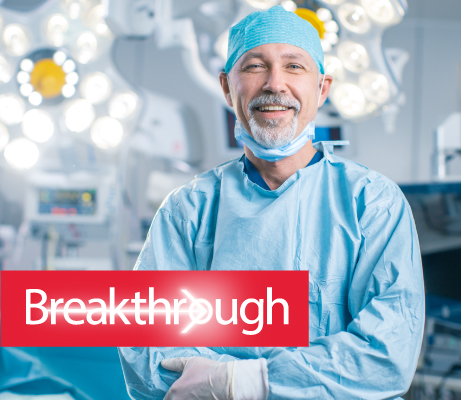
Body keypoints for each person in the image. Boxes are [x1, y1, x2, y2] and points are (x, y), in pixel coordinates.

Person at [119, 5, 425, 400]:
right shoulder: (188, 211)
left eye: (295, 66)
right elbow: (146, 348)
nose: (274, 84)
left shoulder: (372, 204)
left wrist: (240, 382)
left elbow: (385, 356)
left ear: (322, 88)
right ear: (228, 88)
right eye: (255, 66)